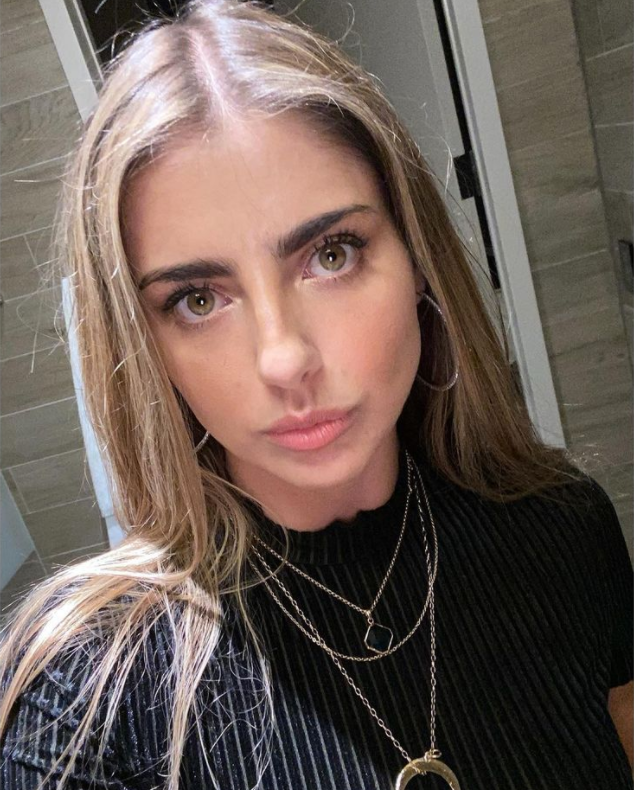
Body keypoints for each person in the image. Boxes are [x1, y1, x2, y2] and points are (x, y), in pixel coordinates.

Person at [0, 0, 632, 788]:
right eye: (198, 299)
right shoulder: (84, 699)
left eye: (332, 254)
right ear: (142, 345)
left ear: (418, 259)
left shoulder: (566, 527)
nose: (284, 359)